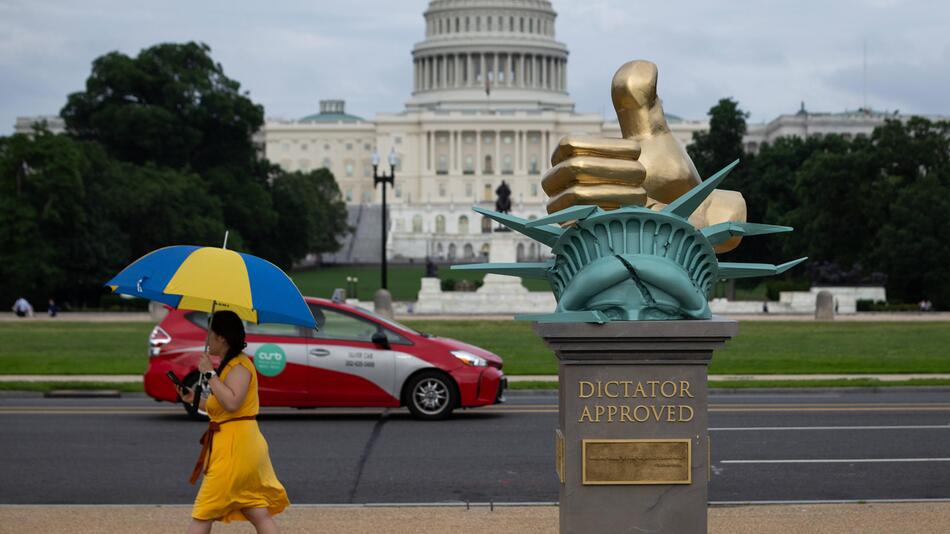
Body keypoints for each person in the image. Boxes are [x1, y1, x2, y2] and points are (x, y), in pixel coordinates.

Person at [178, 311, 289, 533]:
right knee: (256, 511)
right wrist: (194, 398)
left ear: (222, 338)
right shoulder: (230, 366)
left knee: (203, 513)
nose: (206, 339)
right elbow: (219, 407)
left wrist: (209, 373)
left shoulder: (238, 366)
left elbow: (231, 403)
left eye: (210, 334)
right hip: (237, 447)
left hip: (235, 450)